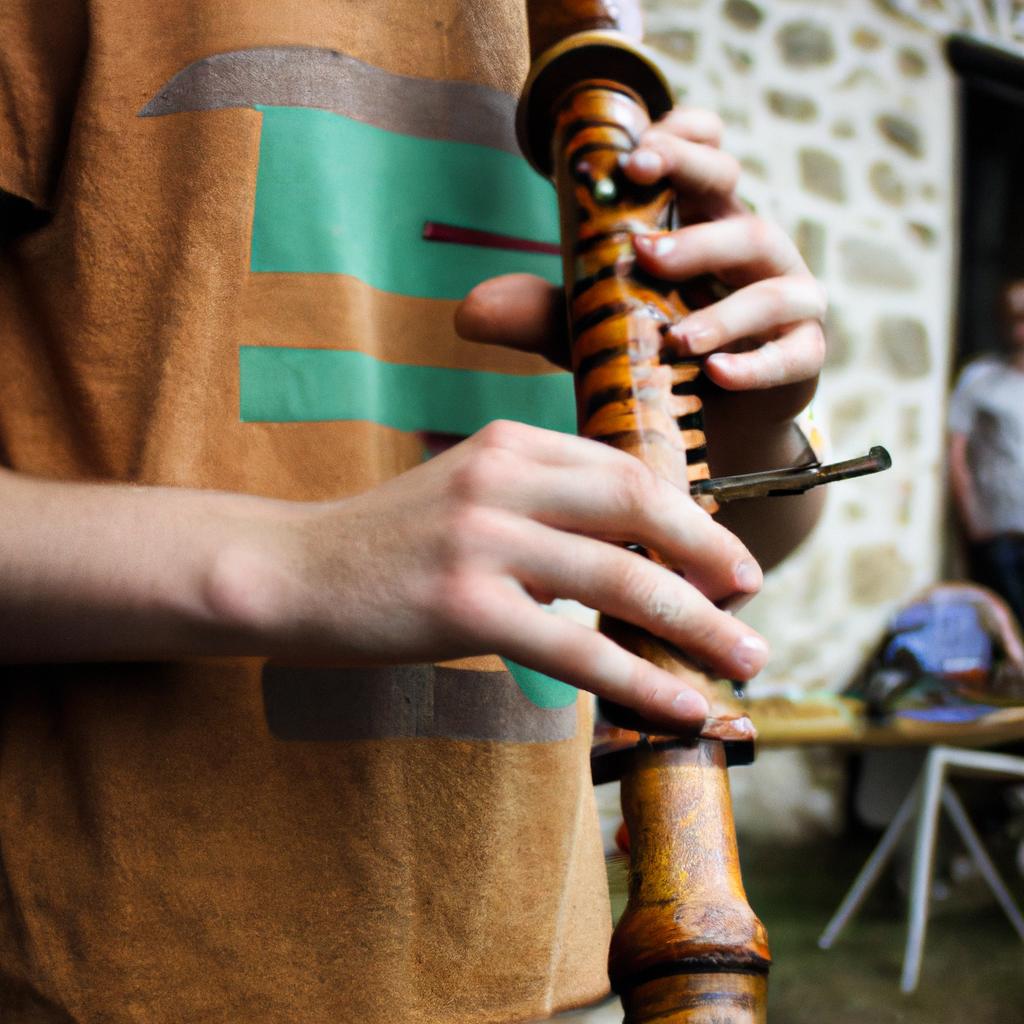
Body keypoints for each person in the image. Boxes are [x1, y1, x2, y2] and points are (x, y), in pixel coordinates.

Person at [0, 2, 826, 1021]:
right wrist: (290, 562)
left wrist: (748, 433)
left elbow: (745, 553)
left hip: (559, 970)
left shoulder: (589, 33)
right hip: (122, 972)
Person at [948, 278, 1024, 628]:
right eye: (1013, 318)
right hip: (999, 529)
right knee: (1008, 625)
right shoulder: (980, 378)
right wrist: (973, 521)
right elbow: (956, 452)